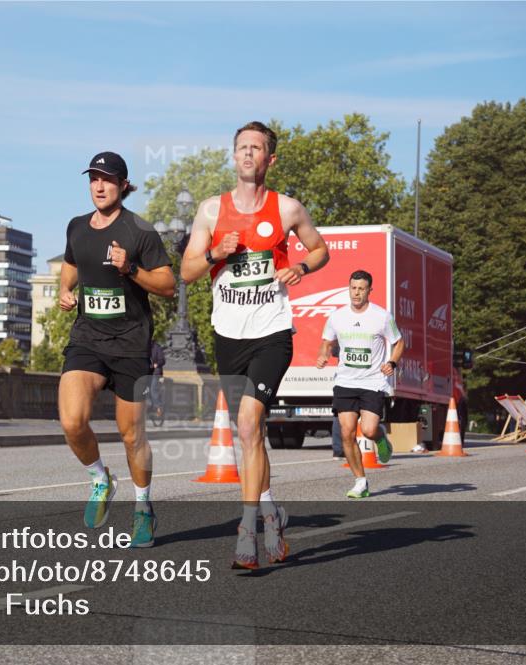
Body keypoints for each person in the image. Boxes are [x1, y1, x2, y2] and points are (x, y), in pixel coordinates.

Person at [181, 121, 328, 569]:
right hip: (228, 335)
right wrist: (215, 253)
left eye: (256, 148)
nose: (248, 154)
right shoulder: (209, 212)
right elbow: (186, 273)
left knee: (247, 424)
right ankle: (271, 513)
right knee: (254, 434)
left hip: (272, 332)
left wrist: (301, 268)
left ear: (270, 159)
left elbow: (320, 250)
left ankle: (248, 531)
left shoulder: (287, 209)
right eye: (242, 147)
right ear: (234, 156)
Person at [58, 151, 175, 547]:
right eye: (93, 178)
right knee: (73, 421)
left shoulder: (140, 231)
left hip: (131, 346)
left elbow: (167, 284)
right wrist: (64, 290)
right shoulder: (76, 227)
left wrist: (130, 270)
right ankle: (100, 479)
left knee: (131, 435)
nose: (99, 185)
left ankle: (143, 507)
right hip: (87, 339)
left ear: (124, 185)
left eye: (107, 179)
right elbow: (72, 264)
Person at [316, 270, 404, 498]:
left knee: (368, 429)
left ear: (369, 291)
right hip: (345, 381)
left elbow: (399, 342)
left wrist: (392, 362)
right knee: (346, 433)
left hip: (373, 381)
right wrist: (323, 354)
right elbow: (327, 341)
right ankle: (360, 481)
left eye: (361, 288)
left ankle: (381, 437)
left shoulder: (382, 316)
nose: (356, 293)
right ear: (349, 288)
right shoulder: (337, 317)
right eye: (353, 288)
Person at [149, 340, 165, 419]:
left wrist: (157, 364)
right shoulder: (144, 347)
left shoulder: (157, 347)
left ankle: (159, 407)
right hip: (146, 372)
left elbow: (162, 360)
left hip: (156, 373)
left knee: (153, 390)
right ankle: (150, 407)